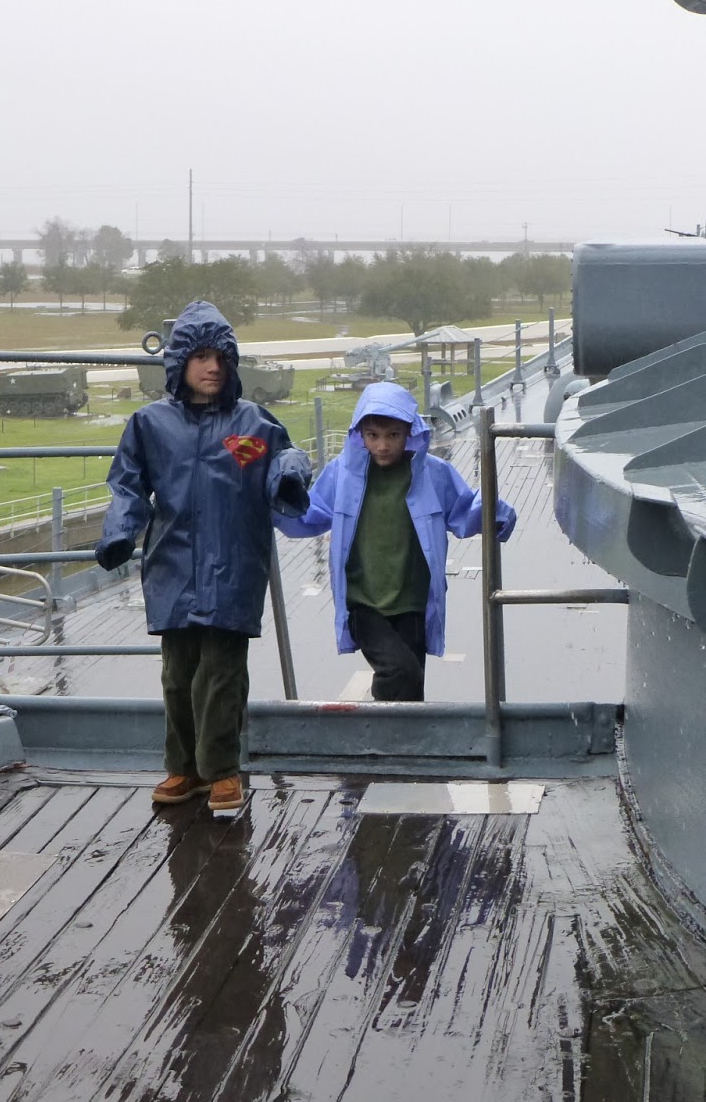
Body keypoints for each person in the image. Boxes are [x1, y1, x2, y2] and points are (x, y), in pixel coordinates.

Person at [95, 301, 312, 812]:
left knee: (221, 671)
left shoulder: (252, 421)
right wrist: (120, 533)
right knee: (177, 673)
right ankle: (183, 768)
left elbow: (284, 454)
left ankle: (221, 770)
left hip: (234, 563)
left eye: (221, 358)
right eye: (200, 357)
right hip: (172, 563)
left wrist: (289, 473)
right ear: (180, 363)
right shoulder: (149, 424)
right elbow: (128, 485)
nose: (212, 367)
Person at [274, 382, 516, 701]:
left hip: (412, 601)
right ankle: (382, 726)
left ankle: (401, 734)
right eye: (373, 435)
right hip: (363, 603)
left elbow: (464, 508)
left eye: (393, 435)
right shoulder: (342, 474)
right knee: (401, 671)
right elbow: (310, 513)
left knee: (412, 686)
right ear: (360, 434)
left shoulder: (431, 474)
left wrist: (496, 513)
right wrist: (272, 503)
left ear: (409, 433)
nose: (383, 445)